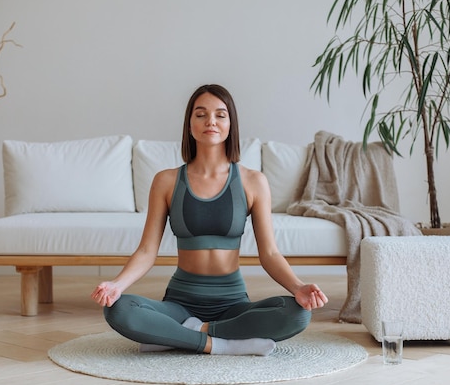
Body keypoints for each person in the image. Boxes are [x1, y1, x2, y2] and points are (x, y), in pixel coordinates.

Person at [91, 84, 328, 356]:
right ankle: (220, 344)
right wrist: (116, 285)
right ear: (189, 124)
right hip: (180, 305)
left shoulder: (253, 182)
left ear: (231, 124)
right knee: (118, 309)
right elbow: (147, 251)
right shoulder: (166, 181)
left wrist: (298, 288)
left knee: (297, 314)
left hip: (233, 305)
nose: (211, 121)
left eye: (220, 114)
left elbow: (270, 253)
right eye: (201, 114)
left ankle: (179, 336)